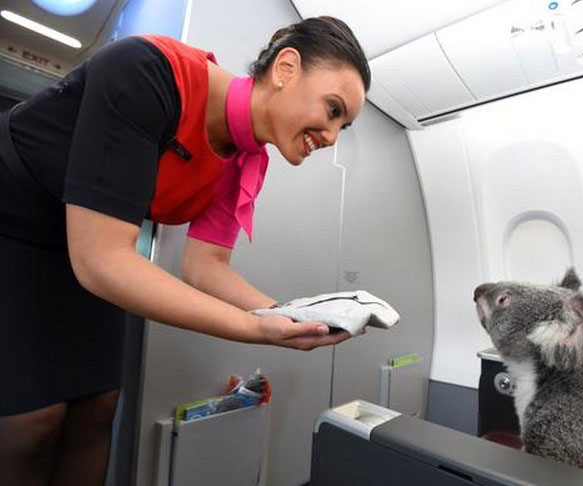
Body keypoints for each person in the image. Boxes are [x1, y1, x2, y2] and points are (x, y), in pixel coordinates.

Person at [0, 16, 370, 486]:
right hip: (15, 221)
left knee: (97, 407)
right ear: (286, 68)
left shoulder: (244, 155)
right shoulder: (147, 71)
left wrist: (288, 315)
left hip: (97, 242)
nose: (333, 136)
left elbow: (205, 267)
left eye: (345, 125)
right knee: (32, 422)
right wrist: (259, 332)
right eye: (333, 109)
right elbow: (100, 260)